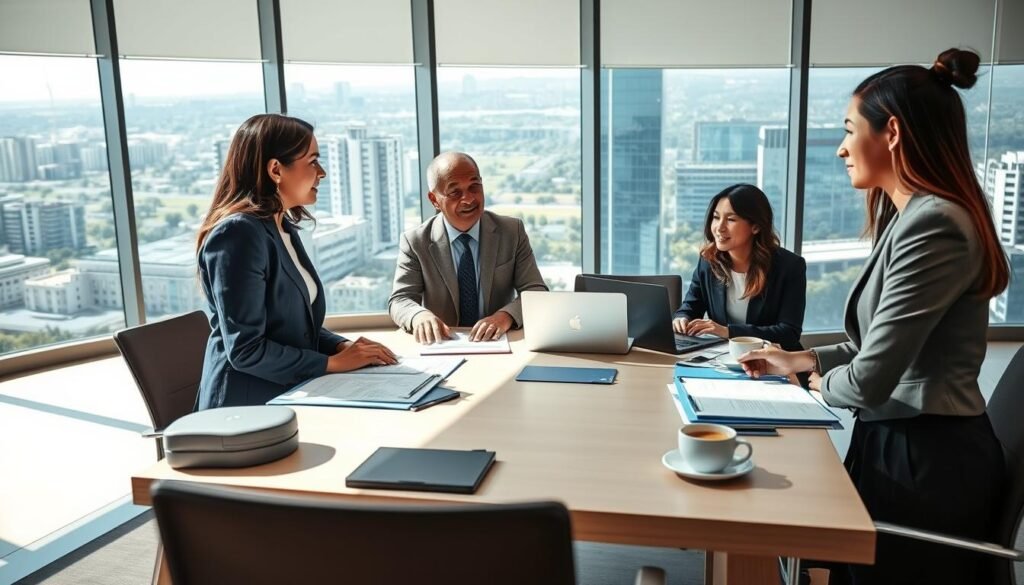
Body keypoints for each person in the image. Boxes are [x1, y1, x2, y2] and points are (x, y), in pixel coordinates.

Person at [738, 49, 1008, 584]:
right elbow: (885, 346)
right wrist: (800, 357)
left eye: (848, 129)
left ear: (892, 132)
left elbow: (871, 377)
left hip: (926, 469)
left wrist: (816, 382)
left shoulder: (935, 225)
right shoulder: (912, 216)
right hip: (902, 446)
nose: (840, 148)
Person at [196, 113, 397, 410]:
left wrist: (340, 346)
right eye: (313, 161)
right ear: (276, 169)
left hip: (291, 393)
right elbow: (246, 350)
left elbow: (291, 328)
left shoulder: (282, 227)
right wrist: (331, 363)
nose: (323, 173)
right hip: (246, 408)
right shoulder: (238, 234)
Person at [389, 152, 548, 344]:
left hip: (498, 342)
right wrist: (418, 316)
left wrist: (505, 316)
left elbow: (536, 292)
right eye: (455, 192)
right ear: (434, 200)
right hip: (443, 345)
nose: (468, 199)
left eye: (474, 187)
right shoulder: (415, 241)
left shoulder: (512, 231)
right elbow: (400, 300)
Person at [672, 184, 806, 351]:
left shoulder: (790, 267)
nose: (719, 228)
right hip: (722, 359)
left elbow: (789, 333)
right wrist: (682, 318)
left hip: (775, 360)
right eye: (716, 217)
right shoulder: (708, 261)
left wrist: (728, 332)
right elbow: (691, 306)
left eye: (731, 219)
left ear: (755, 226)